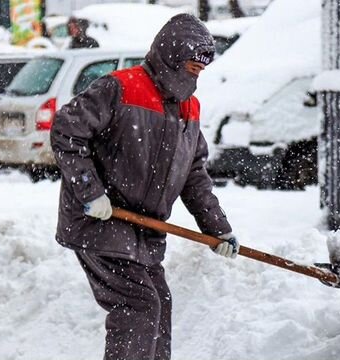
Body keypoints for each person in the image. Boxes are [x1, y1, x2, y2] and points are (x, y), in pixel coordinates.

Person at [51, 13, 238, 360]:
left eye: (202, 67)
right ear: (172, 55)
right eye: (192, 65)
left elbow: (194, 176)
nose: (197, 73)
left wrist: (218, 229)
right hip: (101, 222)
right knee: (137, 305)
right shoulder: (119, 88)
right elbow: (66, 130)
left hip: (143, 233)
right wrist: (90, 192)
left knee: (158, 304)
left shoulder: (189, 109)